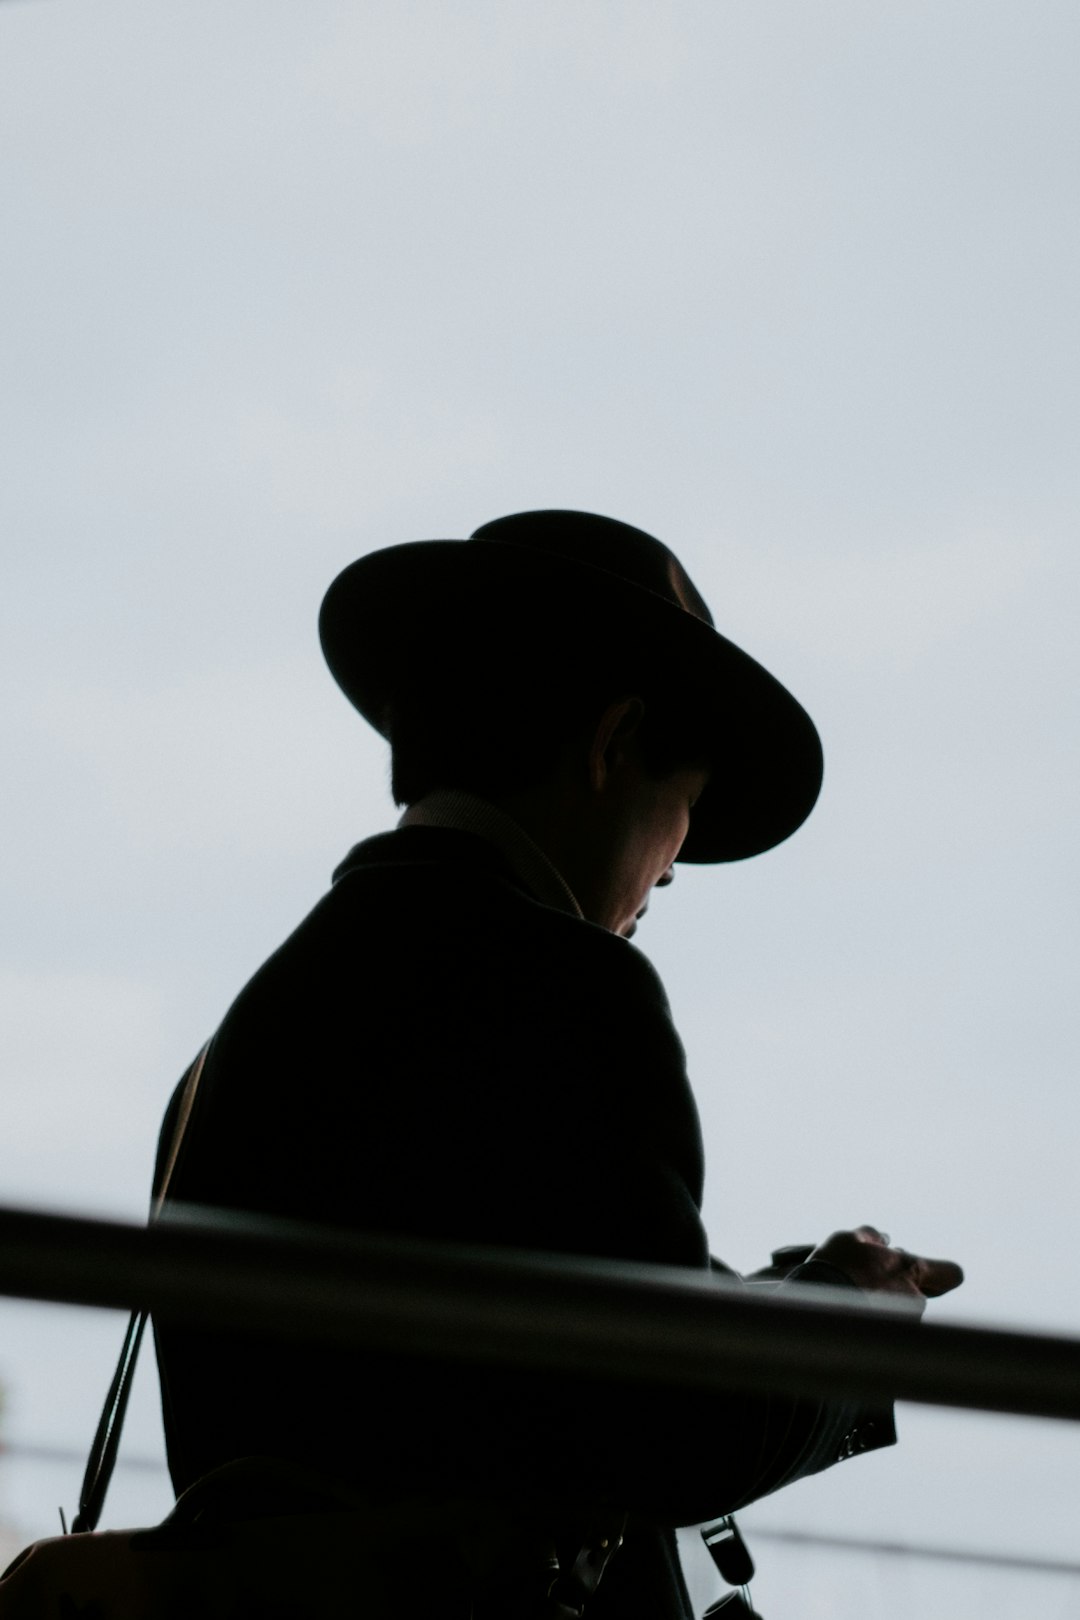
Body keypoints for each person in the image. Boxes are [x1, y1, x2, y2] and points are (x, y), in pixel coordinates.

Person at [153, 509, 963, 1619]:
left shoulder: (235, 1044)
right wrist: (855, 1317)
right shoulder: (565, 986)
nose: (672, 871)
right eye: (685, 810)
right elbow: (677, 1430)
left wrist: (760, 1304)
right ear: (613, 743)